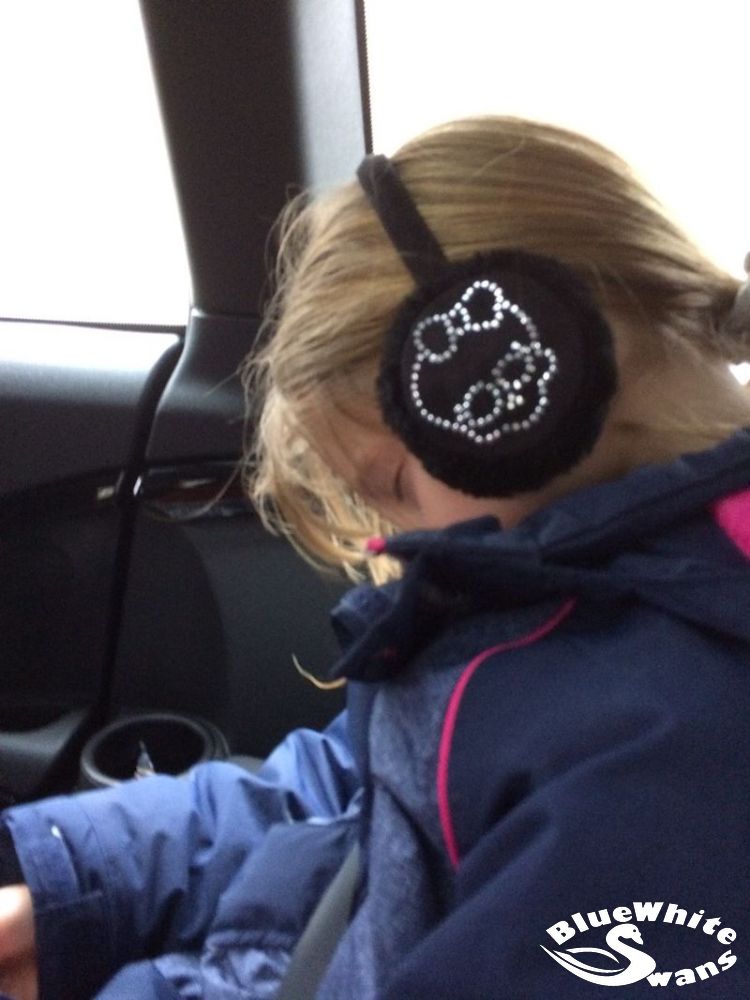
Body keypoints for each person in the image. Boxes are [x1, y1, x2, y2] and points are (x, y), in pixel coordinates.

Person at [2, 116, 750, 999]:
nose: (386, 536)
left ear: (520, 389)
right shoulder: (534, 623)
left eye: (391, 484)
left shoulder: (658, 770)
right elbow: (360, 792)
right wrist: (73, 888)